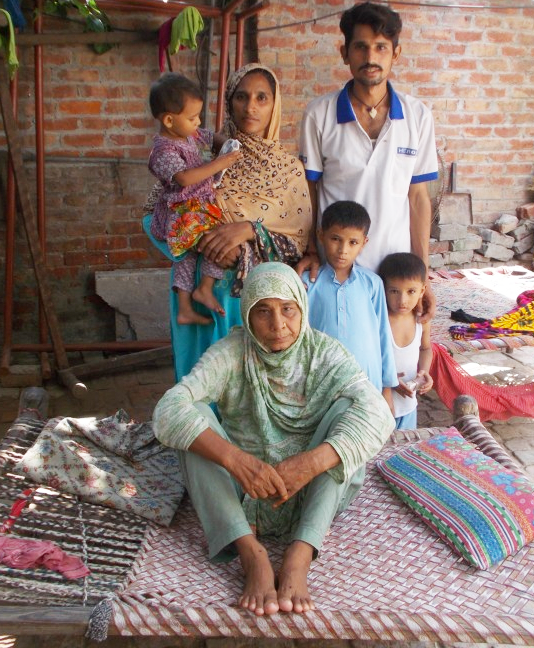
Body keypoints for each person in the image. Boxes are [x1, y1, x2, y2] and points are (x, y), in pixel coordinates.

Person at [152, 262, 394, 615]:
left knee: (350, 413)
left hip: (313, 492)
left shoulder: (325, 353)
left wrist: (310, 463)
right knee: (192, 422)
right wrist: (235, 460)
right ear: (247, 314)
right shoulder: (233, 352)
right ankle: (251, 552)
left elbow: (379, 413)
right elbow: (167, 410)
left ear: (302, 307)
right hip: (244, 490)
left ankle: (301, 551)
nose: (278, 325)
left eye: (288, 310)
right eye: (263, 311)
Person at [144, 64, 313, 380]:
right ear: (228, 102)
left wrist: (250, 232)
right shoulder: (201, 158)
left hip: (255, 300)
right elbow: (152, 217)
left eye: (262, 98)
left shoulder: (290, 171)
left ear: (275, 105)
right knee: (200, 388)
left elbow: (298, 244)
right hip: (196, 289)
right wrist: (196, 243)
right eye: (241, 96)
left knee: (249, 390)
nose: (250, 107)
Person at [297, 1, 439, 318]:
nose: (371, 58)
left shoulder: (418, 116)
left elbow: (418, 199)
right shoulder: (319, 114)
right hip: (337, 270)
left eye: (381, 48)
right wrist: (310, 249)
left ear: (396, 54)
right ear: (345, 53)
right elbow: (309, 193)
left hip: (396, 275)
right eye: (360, 47)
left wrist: (422, 275)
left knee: (391, 362)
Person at [146, 72, 242, 324]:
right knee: (217, 242)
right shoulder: (163, 151)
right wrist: (220, 162)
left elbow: (211, 138)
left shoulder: (189, 134)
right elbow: (185, 178)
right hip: (183, 212)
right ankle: (203, 290)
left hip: (197, 207)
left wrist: (229, 144)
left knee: (188, 257)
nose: (197, 122)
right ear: (168, 120)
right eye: (192, 117)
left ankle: (186, 306)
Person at [301, 200, 397, 410]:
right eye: (335, 239)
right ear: (321, 235)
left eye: (353, 242)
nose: (343, 250)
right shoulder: (307, 283)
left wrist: (387, 388)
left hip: (368, 383)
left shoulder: (372, 284)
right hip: (321, 386)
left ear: (364, 242)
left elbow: (383, 335)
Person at [377, 252, 434, 430]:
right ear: (383, 289)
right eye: (394, 291)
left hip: (409, 407)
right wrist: (389, 380)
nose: (402, 300)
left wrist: (424, 373)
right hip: (380, 407)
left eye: (411, 291)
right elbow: (368, 359)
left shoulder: (421, 321)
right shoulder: (379, 321)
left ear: (422, 291)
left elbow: (426, 349)